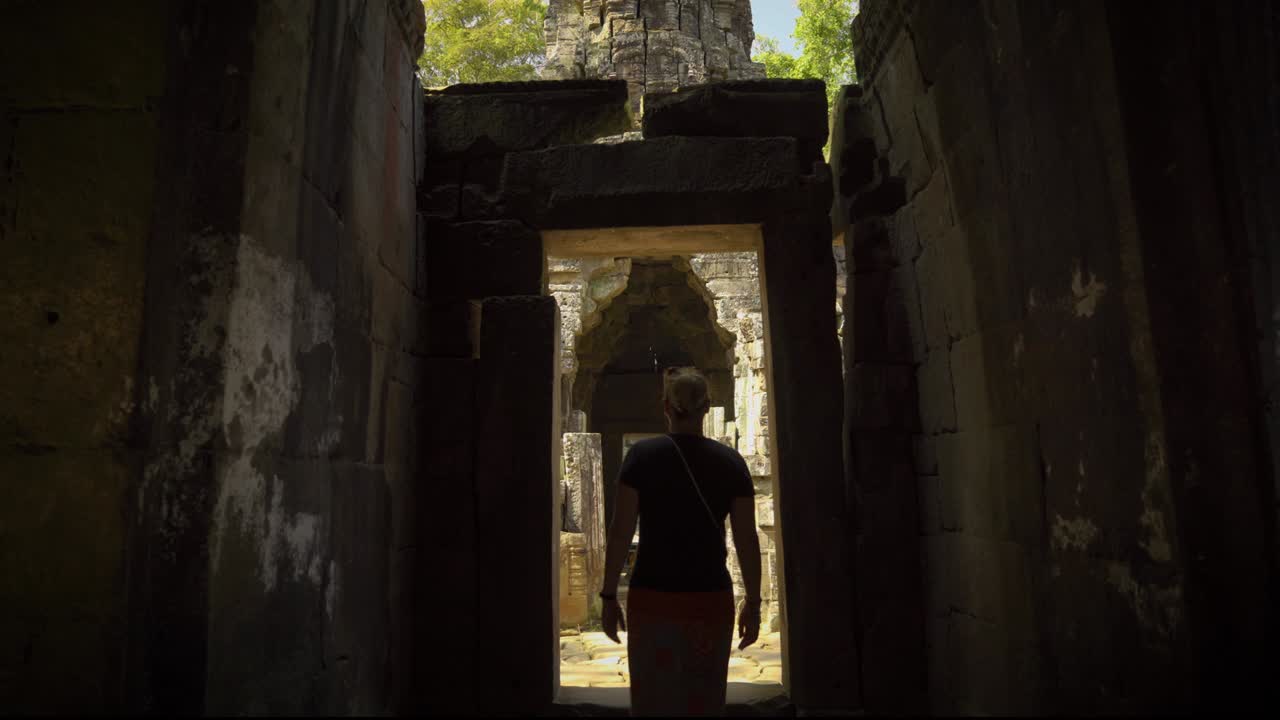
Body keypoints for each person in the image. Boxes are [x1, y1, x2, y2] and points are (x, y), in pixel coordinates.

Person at [598, 366, 762, 716]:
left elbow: (620, 530)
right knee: (703, 701)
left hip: (651, 596)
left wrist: (609, 595)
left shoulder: (640, 458)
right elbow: (746, 538)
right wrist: (755, 600)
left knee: (652, 701)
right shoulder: (731, 463)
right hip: (710, 596)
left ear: (666, 407)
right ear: (706, 409)